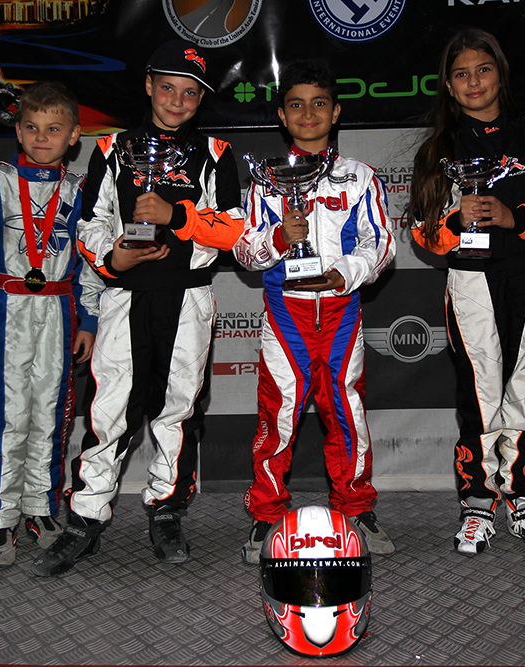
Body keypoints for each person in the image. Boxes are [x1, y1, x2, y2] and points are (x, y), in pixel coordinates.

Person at [30, 40, 246, 576]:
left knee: (179, 410)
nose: (177, 100)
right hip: (125, 296)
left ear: (202, 98)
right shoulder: (111, 149)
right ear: (149, 85)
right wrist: (114, 258)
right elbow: (90, 221)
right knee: (109, 411)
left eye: (189, 92)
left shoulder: (216, 153)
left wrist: (178, 217)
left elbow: (234, 229)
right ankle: (85, 518)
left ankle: (166, 510)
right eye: (167, 87)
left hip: (188, 296)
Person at [407, 28, 525, 557]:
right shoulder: (438, 149)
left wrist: (517, 218)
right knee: (481, 395)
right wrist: (454, 222)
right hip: (471, 282)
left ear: (499, 74)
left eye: (482, 69)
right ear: (448, 85)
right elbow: (422, 232)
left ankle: (522, 498)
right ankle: (478, 501)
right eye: (461, 74)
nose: (473, 82)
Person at [235, 59, 397, 565]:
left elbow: (382, 244)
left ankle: (355, 508)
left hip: (342, 311)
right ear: (282, 116)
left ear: (336, 112)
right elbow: (245, 252)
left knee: (347, 414)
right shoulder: (264, 181)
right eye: (297, 105)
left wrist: (344, 272)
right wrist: (280, 237)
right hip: (287, 314)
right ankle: (266, 513)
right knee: (278, 415)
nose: (308, 114)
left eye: (319, 103)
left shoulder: (361, 177)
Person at [0, 81, 101, 568]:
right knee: (6, 419)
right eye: (32, 127)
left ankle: (40, 509)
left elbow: (90, 264)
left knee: (50, 418)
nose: (41, 137)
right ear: (18, 130)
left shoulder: (80, 190)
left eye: (54, 129)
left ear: (73, 136)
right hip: (4, 308)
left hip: (57, 311)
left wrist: (89, 319)